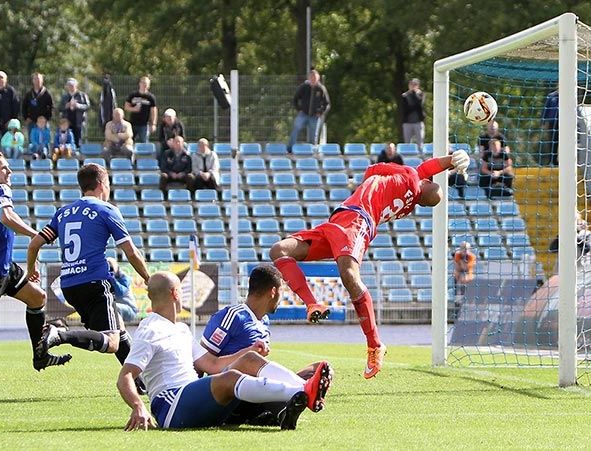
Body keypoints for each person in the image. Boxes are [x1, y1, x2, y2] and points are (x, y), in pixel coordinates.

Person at [270, 150, 471, 379]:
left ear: (424, 185)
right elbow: (421, 171)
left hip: (356, 220)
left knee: (348, 275)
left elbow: (379, 170)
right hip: (340, 221)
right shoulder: (407, 207)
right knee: (280, 250)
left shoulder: (409, 177)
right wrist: (451, 163)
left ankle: (375, 344)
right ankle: (313, 305)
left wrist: (452, 160)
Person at [117, 271, 333, 430]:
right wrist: (138, 406)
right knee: (230, 378)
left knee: (249, 358)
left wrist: (248, 350)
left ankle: (304, 388)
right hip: (171, 405)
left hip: (192, 397)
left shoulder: (180, 329)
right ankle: (302, 392)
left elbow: (211, 365)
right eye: (181, 291)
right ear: (175, 293)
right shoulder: (151, 329)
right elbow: (125, 376)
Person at [28, 163, 150, 379]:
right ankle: (59, 333)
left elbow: (34, 244)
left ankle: (138, 381)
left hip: (70, 285)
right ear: (102, 183)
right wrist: (148, 278)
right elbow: (130, 252)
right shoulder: (107, 210)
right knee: (111, 340)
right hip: (95, 282)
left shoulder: (63, 212)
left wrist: (32, 269)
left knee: (118, 330)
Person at [0, 149, 70, 371]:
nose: (9, 171)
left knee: (38, 297)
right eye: (3, 168)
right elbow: (6, 216)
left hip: (3, 266)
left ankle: (41, 355)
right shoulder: (0, 188)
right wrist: (34, 235)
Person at [201, 264, 322, 426]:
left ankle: (278, 410)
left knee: (317, 369)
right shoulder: (232, 316)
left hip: (255, 392)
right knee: (262, 378)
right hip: (229, 394)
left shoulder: (264, 322)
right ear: (273, 292)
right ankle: (287, 406)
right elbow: (202, 360)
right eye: (282, 291)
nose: (281, 297)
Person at [287, 69, 331, 152]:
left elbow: (327, 104)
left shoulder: (321, 89)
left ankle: (312, 151)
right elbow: (295, 99)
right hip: (303, 114)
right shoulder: (304, 87)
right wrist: (299, 109)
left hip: (315, 116)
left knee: (313, 135)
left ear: (318, 78)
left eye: (314, 77)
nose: (313, 79)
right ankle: (290, 149)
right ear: (309, 78)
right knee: (296, 128)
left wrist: (321, 112)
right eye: (311, 77)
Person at [124, 76, 157, 143]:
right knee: (129, 141)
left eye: (146, 84)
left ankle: (145, 153)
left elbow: (153, 111)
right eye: (143, 83)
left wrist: (153, 124)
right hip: (133, 123)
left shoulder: (151, 97)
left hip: (144, 124)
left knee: (144, 142)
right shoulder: (133, 95)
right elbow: (126, 107)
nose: (144, 85)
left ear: (149, 85)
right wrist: (134, 109)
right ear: (139, 84)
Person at [59, 78, 90, 148]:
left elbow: (87, 106)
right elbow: (59, 108)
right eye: (69, 85)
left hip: (78, 121)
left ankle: (78, 154)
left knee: (78, 139)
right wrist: (66, 106)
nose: (71, 87)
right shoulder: (64, 96)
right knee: (67, 138)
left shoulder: (82, 95)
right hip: (67, 121)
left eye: (72, 85)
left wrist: (78, 105)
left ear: (76, 85)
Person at [107, 257, 138, 323]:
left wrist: (112, 279)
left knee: (113, 307)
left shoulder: (125, 277)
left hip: (130, 309)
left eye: (111, 267)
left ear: (117, 267)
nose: (110, 270)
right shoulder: (105, 279)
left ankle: (121, 330)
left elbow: (120, 292)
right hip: (116, 308)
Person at [401, 78, 425, 149]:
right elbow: (406, 108)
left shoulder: (420, 94)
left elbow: (419, 105)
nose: (412, 86)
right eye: (411, 84)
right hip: (407, 122)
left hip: (418, 122)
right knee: (407, 143)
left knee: (420, 142)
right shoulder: (405, 96)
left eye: (414, 84)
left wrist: (414, 94)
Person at [541, 89, 559, 166]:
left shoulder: (569, 95)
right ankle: (552, 161)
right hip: (553, 121)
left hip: (564, 121)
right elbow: (546, 109)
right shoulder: (551, 96)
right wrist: (543, 121)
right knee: (553, 141)